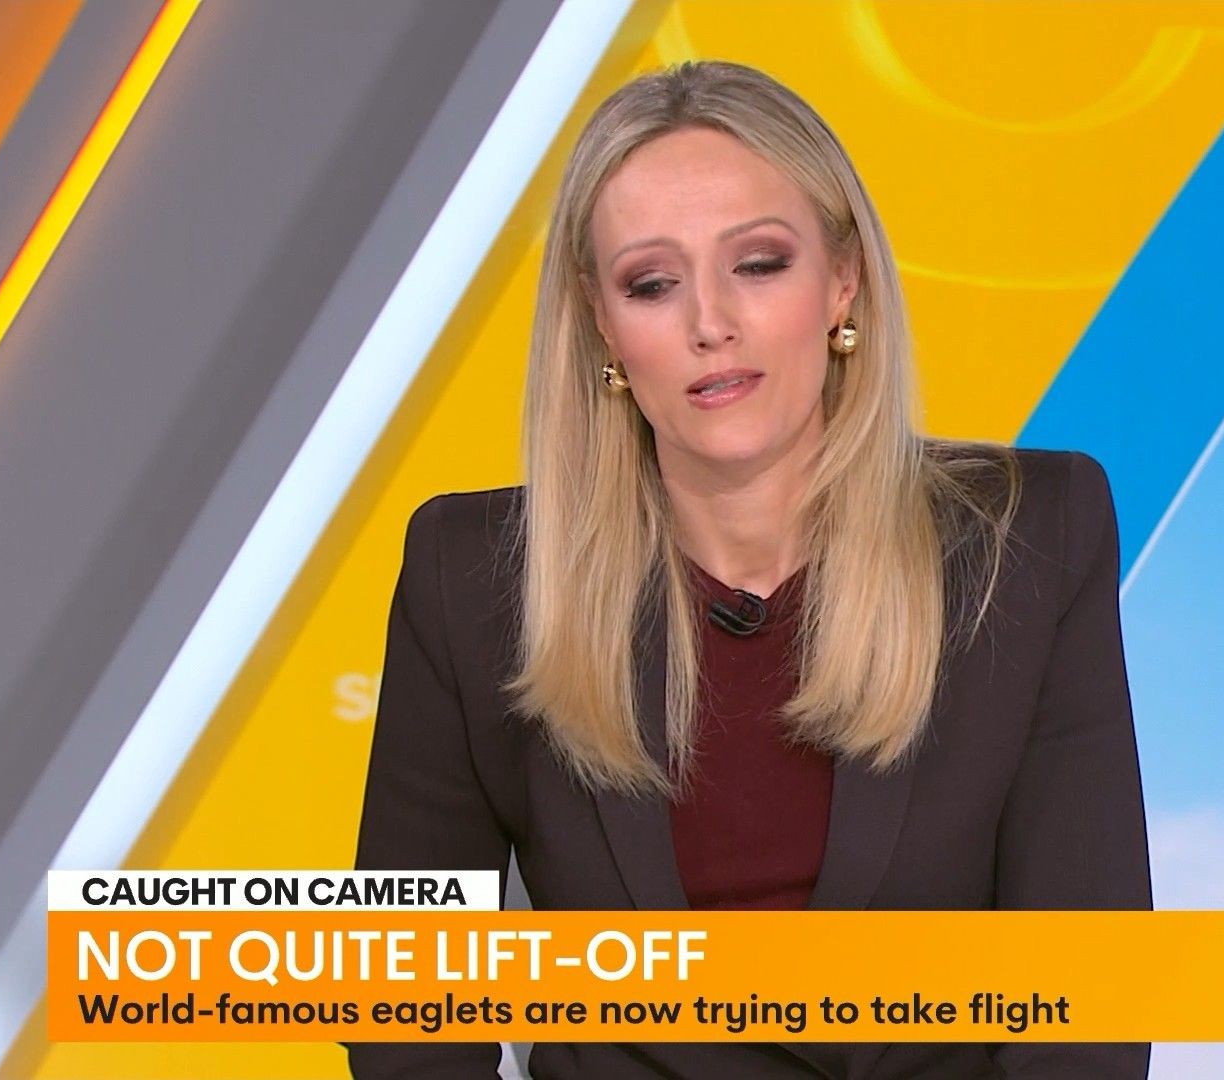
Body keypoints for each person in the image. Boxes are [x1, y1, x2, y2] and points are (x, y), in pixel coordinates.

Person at [347, 59, 1150, 1079]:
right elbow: (405, 1005)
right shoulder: (473, 579)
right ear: (601, 322)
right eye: (652, 283)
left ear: (843, 280)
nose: (710, 322)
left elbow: (1085, 1001)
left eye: (759, 264)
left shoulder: (1028, 539)